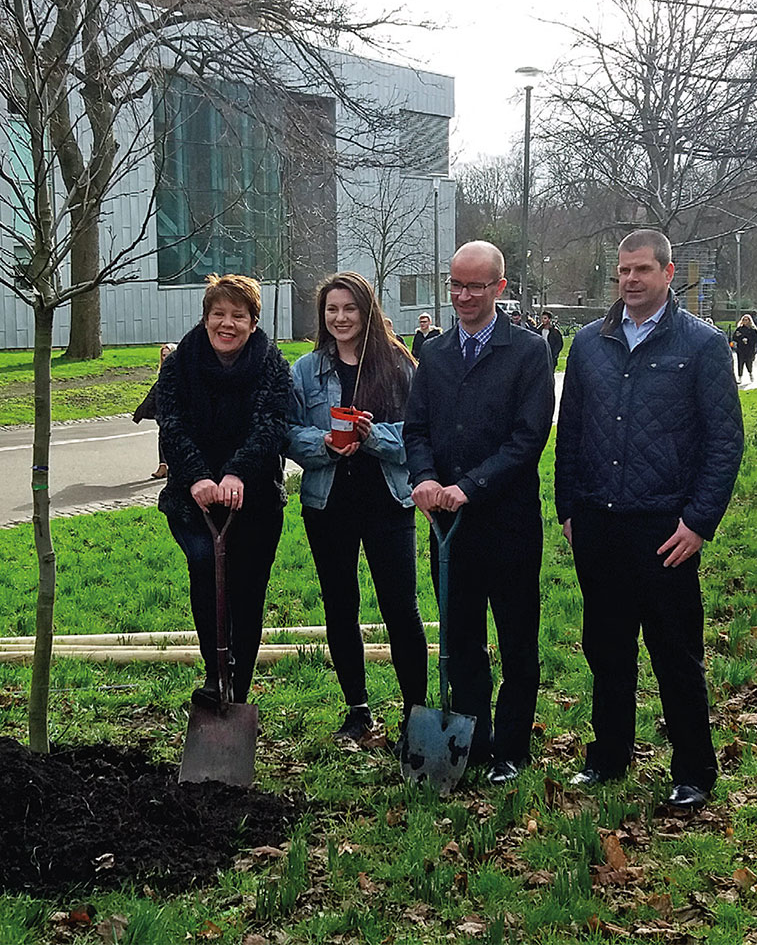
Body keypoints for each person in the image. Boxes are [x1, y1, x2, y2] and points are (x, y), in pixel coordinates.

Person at [555, 229, 744, 810]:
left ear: (667, 273)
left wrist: (699, 522)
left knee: (675, 655)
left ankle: (693, 771)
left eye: (642, 270)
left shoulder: (703, 346)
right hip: (599, 524)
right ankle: (609, 758)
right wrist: (567, 507)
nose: (630, 281)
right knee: (606, 650)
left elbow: (724, 442)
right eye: (622, 272)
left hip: (666, 529)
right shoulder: (588, 344)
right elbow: (572, 431)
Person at [403, 240, 555, 785]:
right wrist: (423, 478)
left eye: (475, 286)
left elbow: (528, 437)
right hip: (449, 528)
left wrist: (471, 485)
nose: (463, 296)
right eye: (455, 285)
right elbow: (415, 428)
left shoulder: (528, 352)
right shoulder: (436, 353)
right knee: (461, 638)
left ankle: (511, 748)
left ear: (500, 288)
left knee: (517, 641)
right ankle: (473, 740)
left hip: (507, 522)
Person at [287, 273, 428, 740]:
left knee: (401, 609)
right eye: (332, 310)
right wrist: (326, 442)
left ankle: (415, 713)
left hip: (388, 501)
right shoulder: (306, 370)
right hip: (328, 504)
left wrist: (374, 438)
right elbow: (287, 433)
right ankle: (358, 710)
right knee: (340, 607)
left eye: (350, 308)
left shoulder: (398, 365)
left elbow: (417, 436)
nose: (340, 318)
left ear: (367, 311)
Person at [155, 274, 292, 709]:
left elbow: (271, 424)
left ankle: (240, 687)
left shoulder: (272, 364)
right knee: (204, 568)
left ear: (253, 322)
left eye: (238, 315)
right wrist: (197, 476)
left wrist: (237, 473)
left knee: (248, 590)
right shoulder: (180, 364)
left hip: (253, 499)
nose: (226, 324)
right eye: (219, 314)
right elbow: (170, 423)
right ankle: (216, 675)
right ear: (206, 317)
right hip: (192, 497)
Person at [132, 342, 178, 478]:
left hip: (178, 409)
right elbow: (155, 392)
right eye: (163, 355)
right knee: (163, 435)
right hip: (164, 409)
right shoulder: (163, 371)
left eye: (168, 355)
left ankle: (172, 466)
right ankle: (163, 466)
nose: (165, 358)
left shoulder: (180, 370)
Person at [731, 314, 757, 384]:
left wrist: (748, 340)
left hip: (749, 349)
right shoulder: (739, 329)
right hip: (741, 349)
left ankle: (750, 373)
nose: (744, 321)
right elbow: (735, 337)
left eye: (746, 320)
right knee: (740, 363)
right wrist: (740, 339)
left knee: (749, 362)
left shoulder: (753, 330)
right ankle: (740, 377)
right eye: (743, 320)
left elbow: (755, 339)